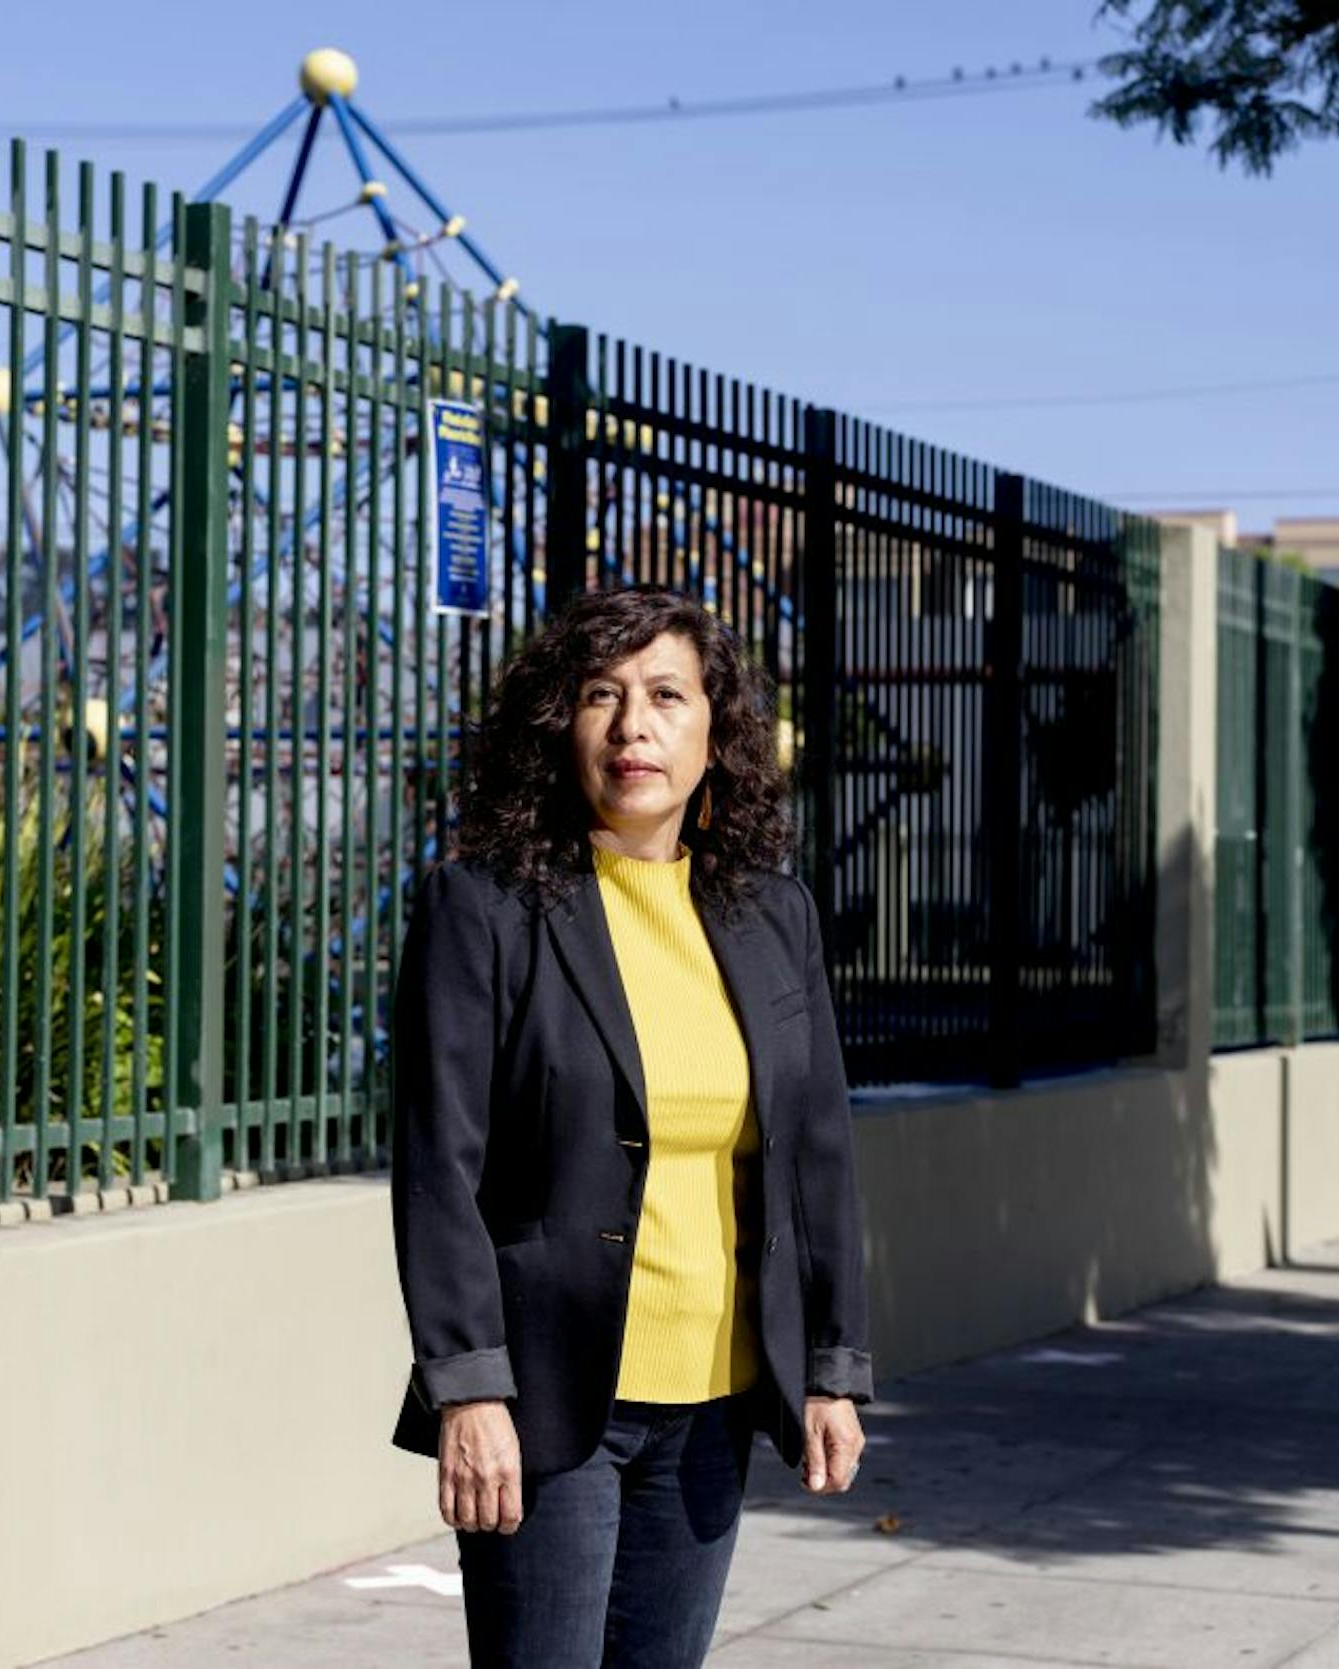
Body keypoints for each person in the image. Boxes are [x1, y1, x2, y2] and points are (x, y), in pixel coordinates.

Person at [389, 584, 872, 1668]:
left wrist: (833, 1365)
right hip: (549, 1403)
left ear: (716, 731)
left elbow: (818, 1154)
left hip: (714, 1403)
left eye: (665, 694)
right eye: (600, 695)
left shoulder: (770, 913)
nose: (632, 726)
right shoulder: (485, 908)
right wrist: (466, 1388)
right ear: (559, 725)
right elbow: (440, 1168)